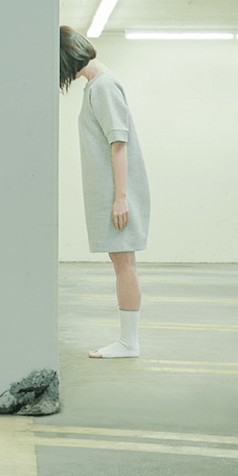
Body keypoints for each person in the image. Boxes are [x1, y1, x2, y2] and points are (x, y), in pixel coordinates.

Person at [60, 26, 150, 358]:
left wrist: (121, 197)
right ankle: (128, 341)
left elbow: (118, 142)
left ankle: (128, 343)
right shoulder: (96, 85)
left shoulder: (104, 85)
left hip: (119, 193)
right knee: (122, 261)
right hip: (114, 192)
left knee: (124, 262)